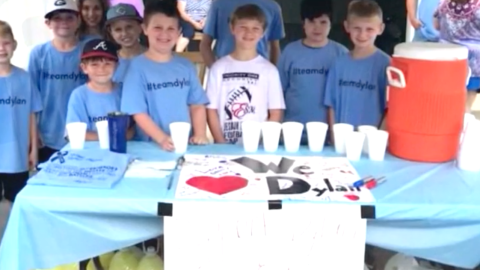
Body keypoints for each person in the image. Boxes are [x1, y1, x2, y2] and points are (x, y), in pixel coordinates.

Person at [121, 0, 209, 151]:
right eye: (157, 27)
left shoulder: (186, 66)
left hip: (186, 145)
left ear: (179, 31)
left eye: (171, 28)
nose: (164, 34)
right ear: (144, 29)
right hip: (151, 146)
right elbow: (137, 112)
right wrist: (161, 138)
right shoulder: (136, 68)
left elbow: (197, 104)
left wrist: (200, 133)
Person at [206, 4, 285, 144]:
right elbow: (211, 110)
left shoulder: (270, 71)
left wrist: (263, 142)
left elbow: (275, 112)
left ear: (263, 33)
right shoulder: (218, 69)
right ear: (232, 28)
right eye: (243, 27)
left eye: (255, 28)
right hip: (224, 146)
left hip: (258, 147)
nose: (249, 33)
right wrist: (221, 142)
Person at [278, 0, 348, 144]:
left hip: (329, 137)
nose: (317, 27)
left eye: (323, 22)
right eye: (311, 21)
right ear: (303, 23)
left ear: (331, 24)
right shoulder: (290, 52)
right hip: (292, 133)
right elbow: (278, 94)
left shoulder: (341, 54)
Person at [28, 0, 88, 163]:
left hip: (84, 136)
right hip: (47, 137)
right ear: (48, 23)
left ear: (78, 21)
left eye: (69, 17)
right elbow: (31, 100)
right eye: (57, 18)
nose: (63, 22)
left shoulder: (88, 51)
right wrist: (34, 135)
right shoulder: (38, 54)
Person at [324, 0, 390, 133]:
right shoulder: (338, 63)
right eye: (357, 28)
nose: (362, 35)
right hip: (341, 140)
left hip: (370, 142)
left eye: (369, 29)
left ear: (380, 28)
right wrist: (333, 135)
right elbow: (331, 105)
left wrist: (377, 138)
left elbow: (391, 109)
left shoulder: (387, 65)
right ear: (347, 26)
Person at [0, 21, 42, 203]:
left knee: (16, 201)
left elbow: (31, 114)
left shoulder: (24, 78)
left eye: (6, 43)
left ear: (14, 45)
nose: (1, 48)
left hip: (17, 155)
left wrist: (33, 150)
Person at [66, 39, 134, 140]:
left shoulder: (125, 92)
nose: (101, 69)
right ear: (84, 68)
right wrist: (112, 137)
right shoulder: (79, 95)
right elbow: (74, 133)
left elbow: (131, 130)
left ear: (117, 66)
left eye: (107, 64)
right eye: (94, 64)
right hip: (89, 153)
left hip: (121, 152)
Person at [200, 0, 285, 67]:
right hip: (226, 68)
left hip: (260, 71)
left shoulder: (273, 7)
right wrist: (215, 70)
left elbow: (275, 47)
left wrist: (272, 73)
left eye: (255, 28)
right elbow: (205, 44)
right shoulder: (218, 5)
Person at [434, 0, 480, 111]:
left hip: (446, 58)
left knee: (445, 96)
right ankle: (463, 121)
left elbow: (436, 25)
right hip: (472, 61)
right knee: (467, 97)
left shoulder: (443, 4)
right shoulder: (478, 7)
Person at [105, 3, 145, 86]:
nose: (124, 33)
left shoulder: (154, 58)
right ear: (111, 32)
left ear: (140, 27)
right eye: (118, 29)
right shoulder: (108, 62)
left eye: (129, 27)